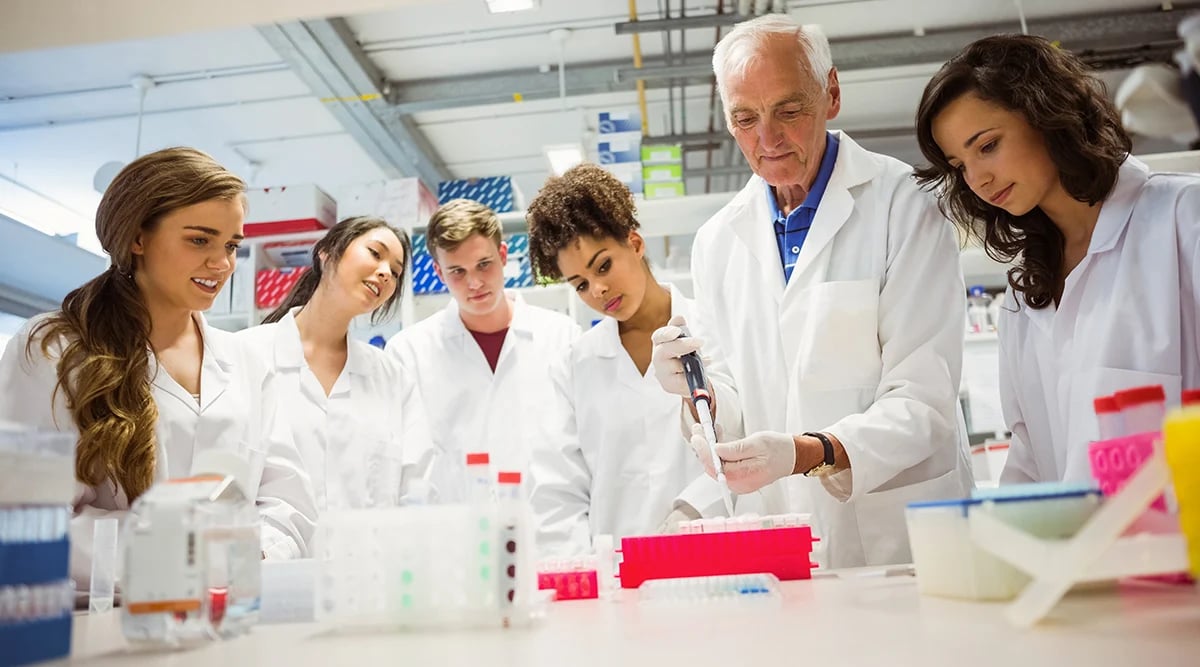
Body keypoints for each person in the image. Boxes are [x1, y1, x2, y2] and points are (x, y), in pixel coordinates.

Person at [650, 14, 973, 568]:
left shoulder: (904, 204)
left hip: (904, 539)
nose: (767, 139)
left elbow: (924, 398)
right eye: (745, 118)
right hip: (784, 541)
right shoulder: (717, 241)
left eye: (788, 110)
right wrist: (698, 393)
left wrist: (807, 453)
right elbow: (733, 398)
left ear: (831, 94)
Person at [0, 147, 317, 588]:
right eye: (199, 240)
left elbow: (287, 500)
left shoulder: (246, 362)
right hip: (111, 617)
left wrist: (255, 551)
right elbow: (27, 519)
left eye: (231, 245)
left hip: (231, 610)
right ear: (138, 238)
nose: (222, 263)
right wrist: (185, 553)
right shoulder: (56, 349)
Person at [914, 34, 1200, 484]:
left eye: (987, 146)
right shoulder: (1025, 292)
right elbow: (1030, 458)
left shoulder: (1184, 217)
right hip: (1078, 531)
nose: (978, 179)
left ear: (1045, 115)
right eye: (960, 165)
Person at [524, 164, 708, 555]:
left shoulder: (712, 331)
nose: (598, 289)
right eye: (580, 285)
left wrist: (697, 510)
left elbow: (744, 445)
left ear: (635, 243)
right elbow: (558, 493)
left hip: (717, 559)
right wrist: (587, 573)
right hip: (618, 576)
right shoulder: (573, 367)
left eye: (603, 265)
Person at [386, 199, 580, 502]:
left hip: (548, 523)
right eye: (457, 271)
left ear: (502, 255)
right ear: (439, 272)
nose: (474, 282)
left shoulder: (561, 336)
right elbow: (400, 464)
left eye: (483, 265)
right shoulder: (408, 353)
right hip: (454, 527)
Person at [238, 216, 433, 511]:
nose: (385, 273)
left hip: (371, 543)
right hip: (266, 542)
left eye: (395, 272)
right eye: (375, 253)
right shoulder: (245, 355)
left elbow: (417, 492)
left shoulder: (393, 379)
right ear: (327, 252)